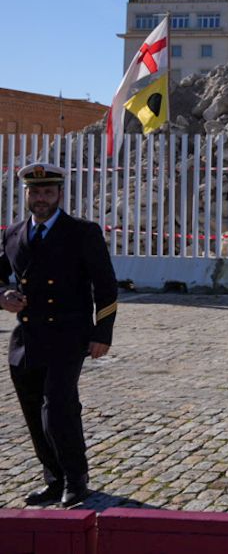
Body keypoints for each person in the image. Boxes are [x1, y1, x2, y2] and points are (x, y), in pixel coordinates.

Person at [1, 162, 118, 507]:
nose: (41, 199)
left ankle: (76, 478)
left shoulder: (82, 232)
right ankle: (53, 478)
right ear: (26, 194)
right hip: (27, 337)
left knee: (59, 408)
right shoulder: (13, 233)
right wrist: (3, 296)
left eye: (47, 192)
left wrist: (103, 332)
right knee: (33, 410)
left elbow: (106, 285)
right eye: (35, 192)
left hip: (69, 334)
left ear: (59, 194)